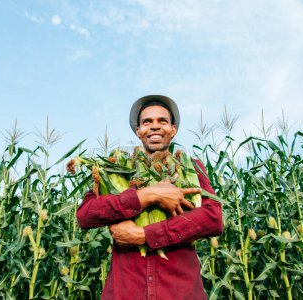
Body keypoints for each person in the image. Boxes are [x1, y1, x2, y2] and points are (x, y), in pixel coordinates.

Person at [76, 95, 223, 300]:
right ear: (138, 131)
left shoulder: (191, 167)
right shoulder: (116, 168)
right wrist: (146, 196)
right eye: (147, 122)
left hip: (179, 291)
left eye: (162, 121)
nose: (154, 126)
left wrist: (144, 235)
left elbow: (213, 218)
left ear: (173, 130)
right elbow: (85, 215)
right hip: (127, 292)